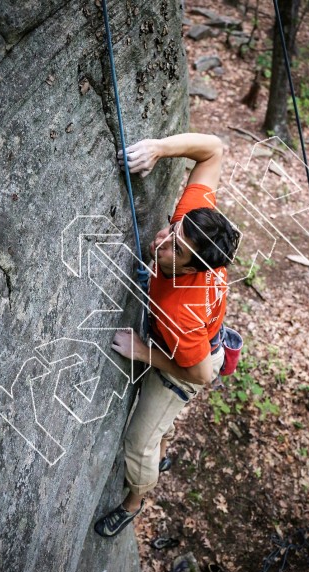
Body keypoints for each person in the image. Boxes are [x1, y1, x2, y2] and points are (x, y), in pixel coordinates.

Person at [94, 133, 240, 537]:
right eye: (172, 232)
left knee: (138, 442)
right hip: (190, 342)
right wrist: (158, 148)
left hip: (187, 364)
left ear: (195, 269)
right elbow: (214, 148)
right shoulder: (196, 228)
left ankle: (134, 501)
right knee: (159, 429)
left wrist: (144, 352)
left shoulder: (181, 311)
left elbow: (202, 377)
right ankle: (163, 446)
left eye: (175, 250)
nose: (162, 240)